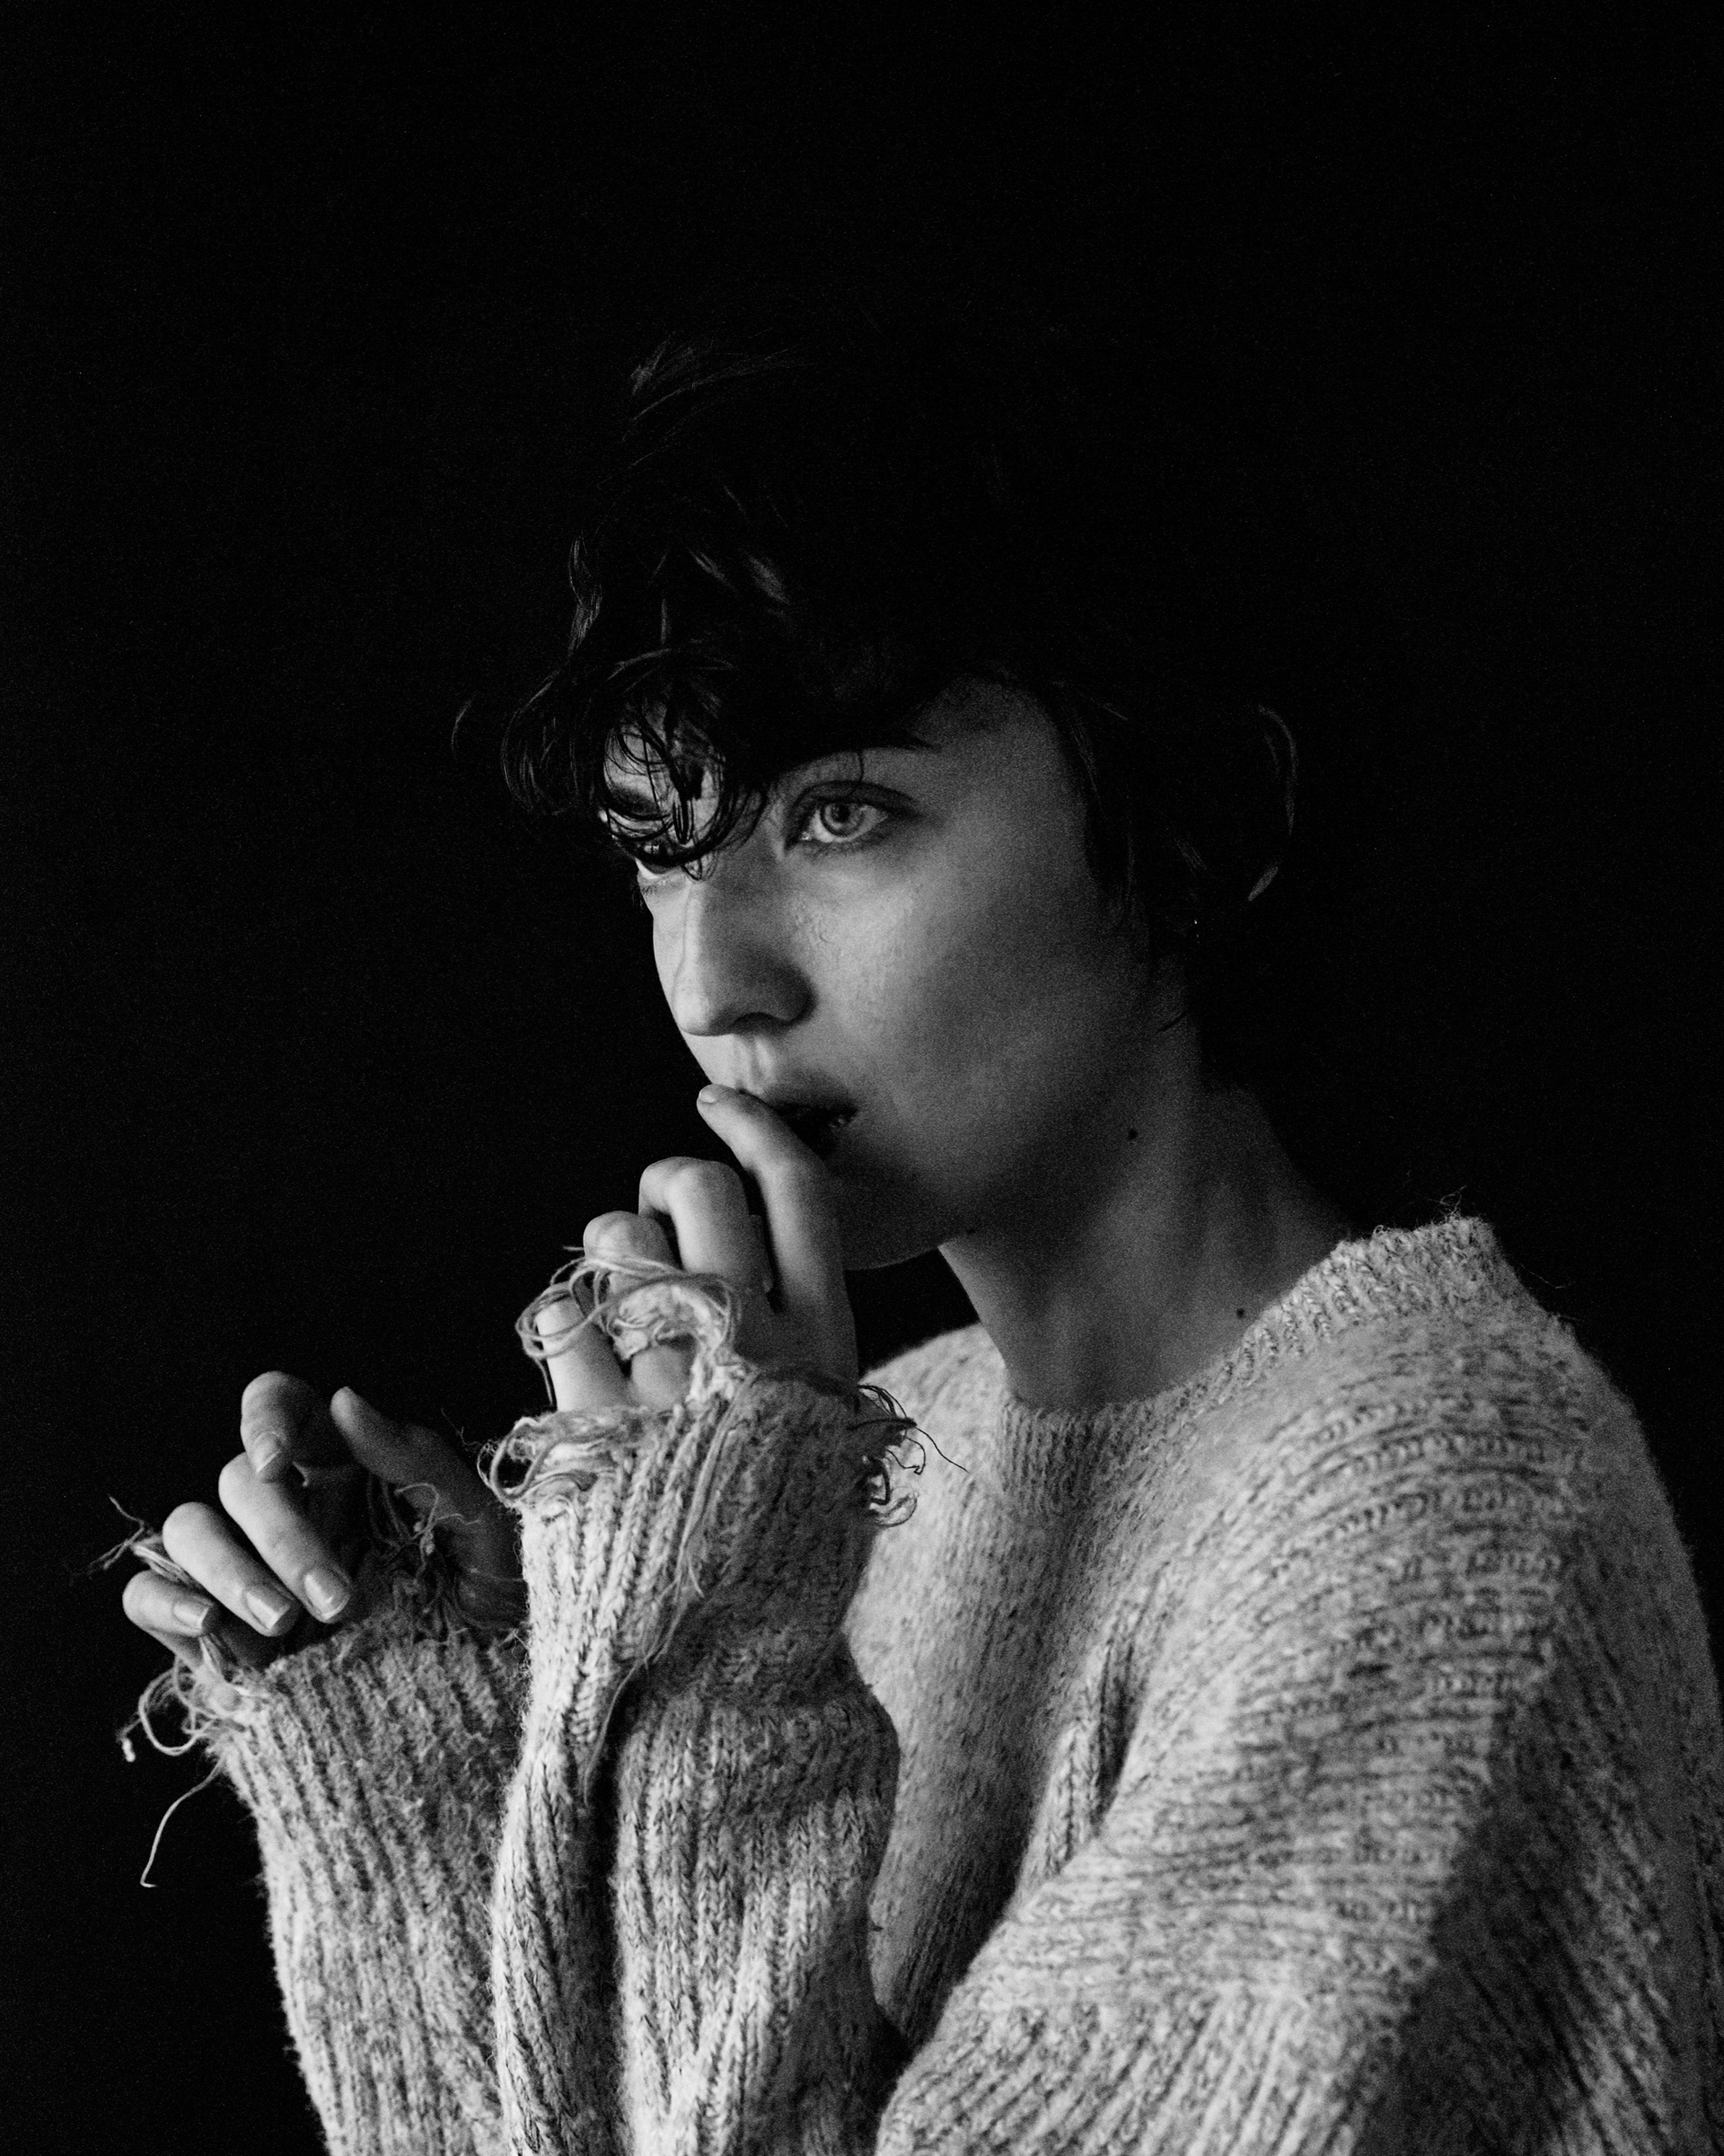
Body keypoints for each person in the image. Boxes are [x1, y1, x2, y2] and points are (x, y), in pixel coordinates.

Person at [120, 301, 1724, 2153]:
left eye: (842, 815)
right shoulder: (913, 1438)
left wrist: (711, 1637)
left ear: (1203, 815)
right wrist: (460, 1732)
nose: (716, 982)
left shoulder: (1432, 1502)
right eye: (660, 850)